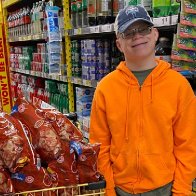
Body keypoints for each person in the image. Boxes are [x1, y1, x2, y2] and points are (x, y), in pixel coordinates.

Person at [89, 5, 196, 196]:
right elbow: (100, 147)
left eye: (143, 29)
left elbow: (188, 147)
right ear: (119, 44)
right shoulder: (106, 88)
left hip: (166, 189)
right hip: (120, 189)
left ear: (154, 34)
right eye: (128, 33)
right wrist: (109, 190)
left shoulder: (179, 86)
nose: (137, 36)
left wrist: (181, 191)